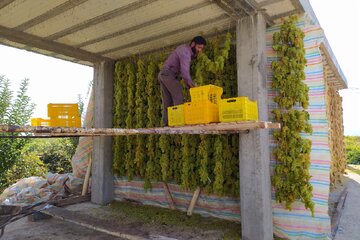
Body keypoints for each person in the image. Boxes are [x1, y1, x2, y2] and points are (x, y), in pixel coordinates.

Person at [158, 36, 206, 126]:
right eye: (199, 47)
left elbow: (183, 75)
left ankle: (166, 123)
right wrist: (193, 87)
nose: (200, 50)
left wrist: (189, 85)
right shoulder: (186, 52)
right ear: (193, 44)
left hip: (163, 74)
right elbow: (185, 74)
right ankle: (178, 122)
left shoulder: (185, 50)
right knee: (179, 96)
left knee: (167, 101)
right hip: (168, 74)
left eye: (202, 48)